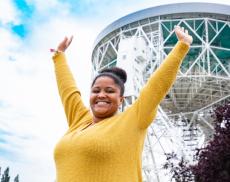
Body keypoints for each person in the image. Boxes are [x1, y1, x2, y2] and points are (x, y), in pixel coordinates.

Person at [52, 26, 193, 182]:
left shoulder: (133, 121)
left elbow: (155, 88)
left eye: (110, 91)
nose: (101, 95)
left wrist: (181, 47)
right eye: (96, 90)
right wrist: (59, 56)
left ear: (121, 99)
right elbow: (68, 91)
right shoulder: (79, 121)